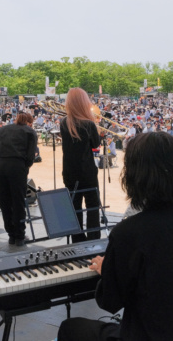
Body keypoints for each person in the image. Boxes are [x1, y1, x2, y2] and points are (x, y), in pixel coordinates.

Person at [57, 132, 173, 341]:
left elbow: (109, 302)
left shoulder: (130, 233)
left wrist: (107, 269)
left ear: (134, 176)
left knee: (71, 328)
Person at [60, 88, 101, 243]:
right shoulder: (89, 124)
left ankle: (78, 239)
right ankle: (93, 239)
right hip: (87, 171)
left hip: (69, 171)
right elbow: (95, 145)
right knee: (92, 205)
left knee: (74, 205)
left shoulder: (64, 123)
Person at [0, 112, 37, 246]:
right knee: (18, 202)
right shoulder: (30, 132)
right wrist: (24, 166)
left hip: (0, 167)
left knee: (5, 202)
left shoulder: (3, 129)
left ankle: (11, 235)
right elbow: (30, 156)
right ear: (29, 122)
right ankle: (19, 236)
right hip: (17, 167)